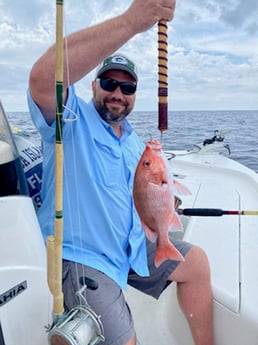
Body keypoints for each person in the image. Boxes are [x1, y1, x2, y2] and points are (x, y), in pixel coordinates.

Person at [28, 1, 214, 344]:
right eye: (109, 82)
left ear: (134, 96)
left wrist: (165, 205)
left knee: (197, 263)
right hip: (83, 258)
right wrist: (132, 22)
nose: (118, 93)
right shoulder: (71, 120)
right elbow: (43, 78)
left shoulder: (135, 144)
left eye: (127, 88)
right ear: (93, 85)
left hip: (128, 248)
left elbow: (144, 195)